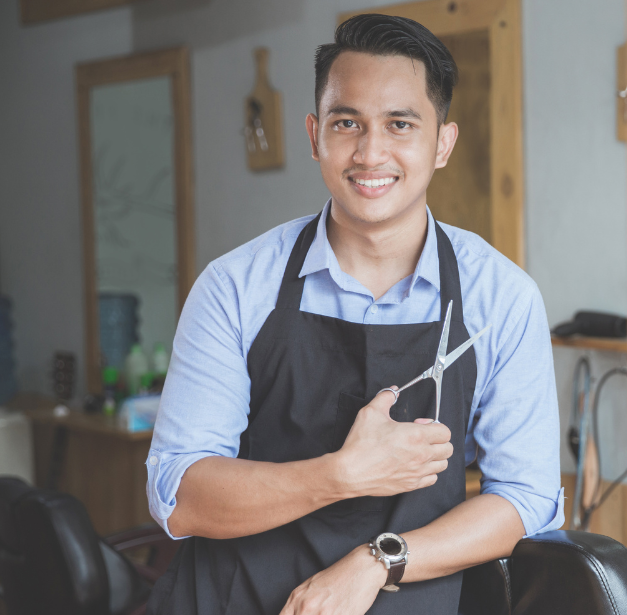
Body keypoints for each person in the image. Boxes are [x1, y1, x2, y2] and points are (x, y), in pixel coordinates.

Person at [144, 13, 562, 615]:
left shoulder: (502, 298)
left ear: (442, 143)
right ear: (315, 134)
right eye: (347, 123)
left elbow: (525, 500)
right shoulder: (234, 287)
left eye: (400, 124)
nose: (370, 153)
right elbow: (181, 496)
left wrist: (378, 560)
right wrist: (341, 474)